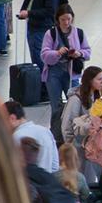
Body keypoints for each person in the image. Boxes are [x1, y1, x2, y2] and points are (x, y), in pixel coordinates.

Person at [39, 8, 92, 138]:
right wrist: (57, 53)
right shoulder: (50, 33)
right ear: (58, 19)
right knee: (56, 105)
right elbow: (44, 54)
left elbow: (87, 52)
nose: (66, 22)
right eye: (63, 19)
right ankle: (57, 135)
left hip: (72, 72)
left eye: (68, 19)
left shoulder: (79, 33)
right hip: (54, 73)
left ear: (72, 18)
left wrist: (79, 53)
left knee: (74, 102)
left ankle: (73, 132)